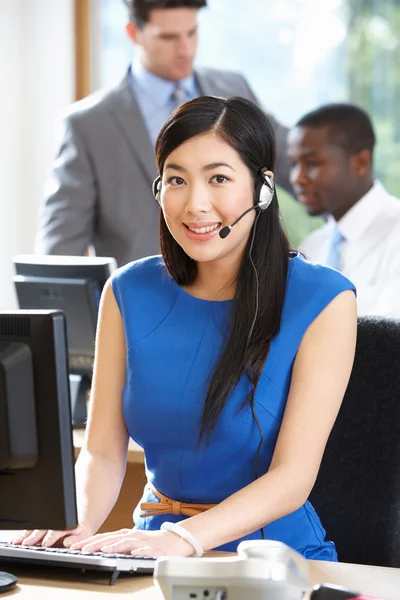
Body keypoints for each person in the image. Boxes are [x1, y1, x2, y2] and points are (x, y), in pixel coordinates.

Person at [15, 96, 356, 559]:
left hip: (271, 559)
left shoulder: (323, 299)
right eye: (176, 179)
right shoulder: (127, 291)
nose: (195, 204)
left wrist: (183, 538)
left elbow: (292, 477)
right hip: (152, 549)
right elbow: (103, 452)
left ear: (262, 188)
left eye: (218, 178)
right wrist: (71, 523)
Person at [36, 0, 291, 267]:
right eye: (169, 37)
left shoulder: (234, 89)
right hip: (139, 301)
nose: (186, 49)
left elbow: (297, 162)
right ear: (134, 33)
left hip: (244, 294)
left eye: (192, 33)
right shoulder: (88, 125)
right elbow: (60, 249)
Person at [288, 103, 400, 317]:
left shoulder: (396, 237)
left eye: (311, 163)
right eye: (293, 164)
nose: (297, 178)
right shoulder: (313, 247)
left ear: (361, 162)